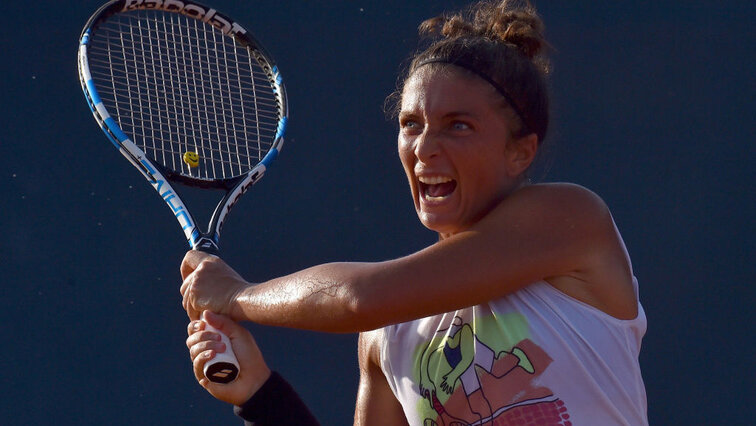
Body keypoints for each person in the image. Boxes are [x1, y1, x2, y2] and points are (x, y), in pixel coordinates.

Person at [182, 1, 648, 424]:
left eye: (458, 126)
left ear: (520, 153)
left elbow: (358, 299)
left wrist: (237, 295)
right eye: (411, 125)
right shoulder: (386, 335)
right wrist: (259, 394)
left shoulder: (570, 219)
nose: (424, 147)